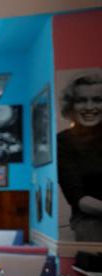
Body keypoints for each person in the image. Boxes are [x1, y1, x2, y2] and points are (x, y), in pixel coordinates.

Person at [57, 71, 102, 242]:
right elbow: (80, 199)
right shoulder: (64, 141)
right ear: (72, 105)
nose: (89, 107)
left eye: (97, 100)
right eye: (81, 100)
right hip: (90, 220)